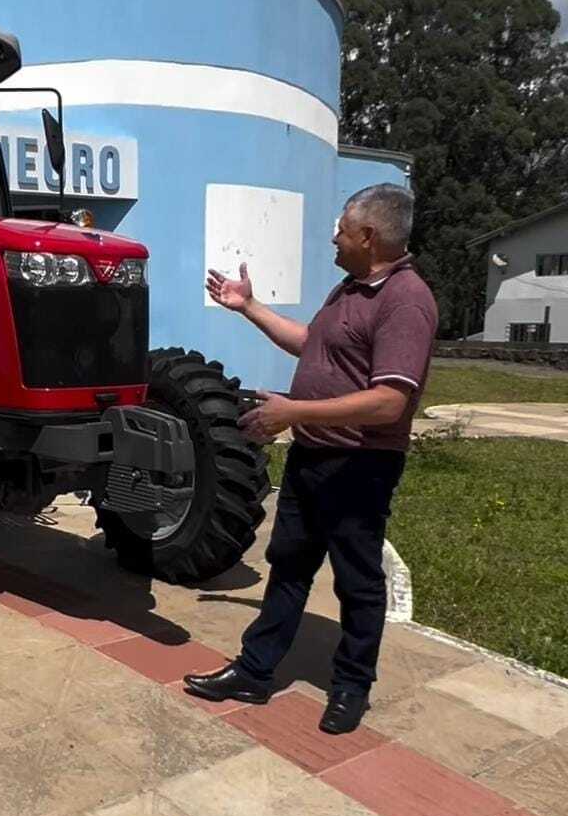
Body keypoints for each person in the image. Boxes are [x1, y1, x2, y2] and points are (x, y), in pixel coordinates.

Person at [184, 183, 437, 734]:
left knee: (357, 580)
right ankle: (255, 672)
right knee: (290, 565)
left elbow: (390, 401)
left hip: (359, 466)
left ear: (369, 235)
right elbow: (311, 344)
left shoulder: (406, 301)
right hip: (314, 457)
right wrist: (248, 306)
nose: (333, 235)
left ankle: (350, 687)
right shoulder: (349, 289)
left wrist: (294, 410)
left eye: (342, 227)